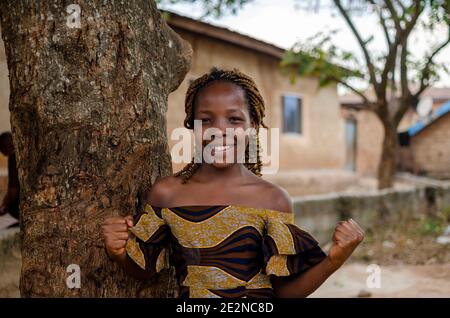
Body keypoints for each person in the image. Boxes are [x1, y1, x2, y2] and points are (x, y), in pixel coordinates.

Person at [102, 67, 364, 298]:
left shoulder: (272, 200)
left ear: (253, 125)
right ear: (191, 126)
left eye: (235, 119)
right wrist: (120, 253)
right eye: (206, 120)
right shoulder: (167, 194)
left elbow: (284, 291)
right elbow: (146, 270)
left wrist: (333, 260)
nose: (220, 130)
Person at [0, 132, 20, 227]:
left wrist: (6, 206)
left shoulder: (13, 157)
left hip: (20, 203)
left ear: (8, 146)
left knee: (11, 206)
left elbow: (13, 188)